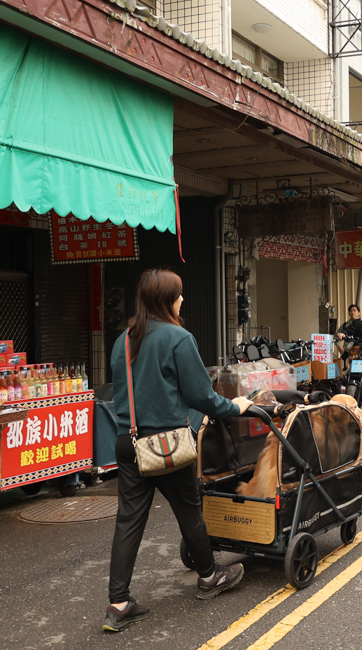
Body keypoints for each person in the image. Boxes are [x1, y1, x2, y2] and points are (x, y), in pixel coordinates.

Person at [105, 269, 252, 633]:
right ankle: (208, 577)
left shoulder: (123, 339)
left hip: (129, 442)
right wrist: (237, 408)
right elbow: (201, 396)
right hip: (166, 445)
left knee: (128, 521)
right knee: (189, 509)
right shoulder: (178, 337)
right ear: (168, 300)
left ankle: (118, 602)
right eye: (180, 295)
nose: (183, 300)